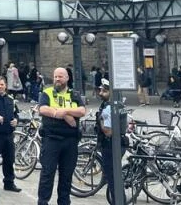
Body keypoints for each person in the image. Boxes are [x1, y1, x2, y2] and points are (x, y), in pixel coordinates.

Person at [37, 67, 86, 205]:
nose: (57, 79)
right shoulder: (47, 93)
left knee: (66, 176)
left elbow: (82, 111)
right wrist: (65, 116)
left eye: (60, 76)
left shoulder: (74, 94)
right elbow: (43, 109)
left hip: (70, 141)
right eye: (55, 77)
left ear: (67, 78)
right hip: (52, 140)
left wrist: (63, 112)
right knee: (47, 174)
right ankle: (42, 202)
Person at [96, 78, 126, 204]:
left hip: (110, 145)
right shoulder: (120, 104)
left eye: (103, 91)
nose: (100, 93)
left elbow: (108, 131)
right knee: (116, 178)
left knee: (113, 179)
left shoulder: (108, 109)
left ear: (110, 93)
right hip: (120, 143)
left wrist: (100, 121)